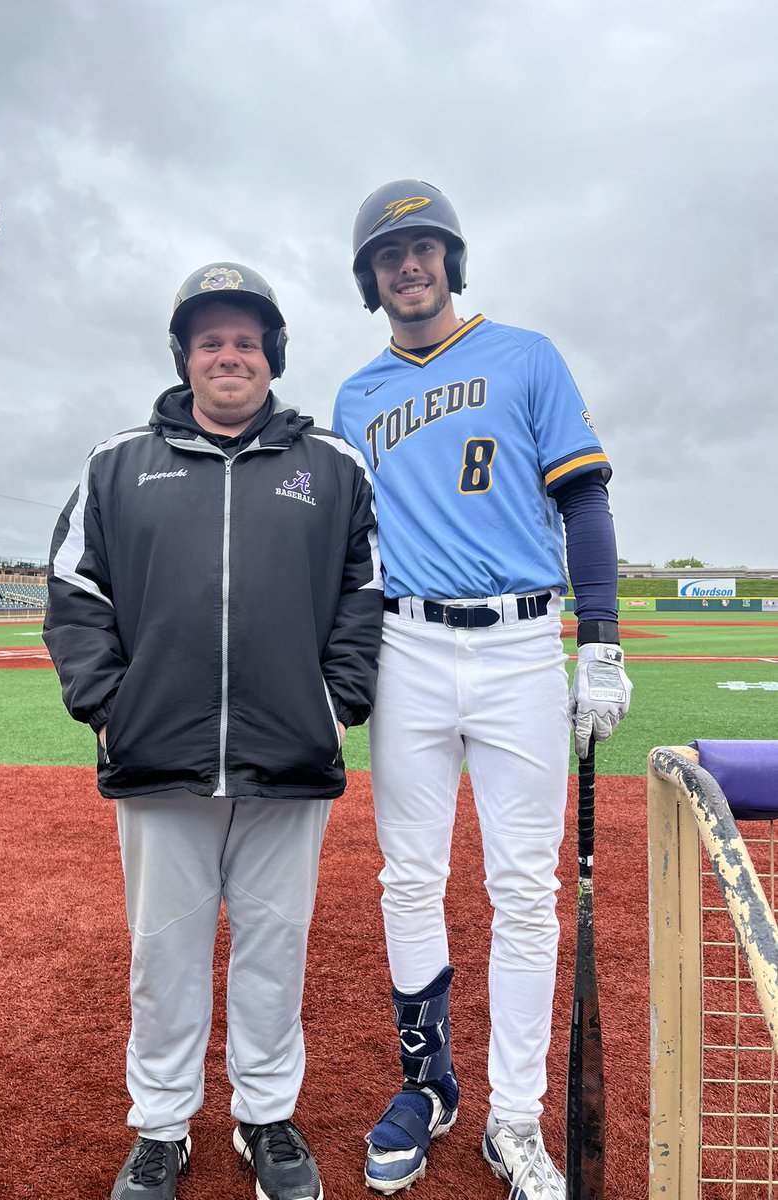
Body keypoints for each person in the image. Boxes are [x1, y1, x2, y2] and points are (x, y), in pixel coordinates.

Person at [44, 262, 383, 1200]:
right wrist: (113, 707)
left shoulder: (330, 466)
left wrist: (333, 702)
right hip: (159, 762)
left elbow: (365, 598)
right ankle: (161, 1127)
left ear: (271, 355)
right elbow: (73, 597)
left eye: (245, 341)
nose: (228, 356)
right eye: (210, 341)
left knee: (276, 950)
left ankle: (265, 1117)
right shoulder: (117, 463)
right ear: (185, 356)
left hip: (289, 757)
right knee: (165, 957)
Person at [332, 180, 632, 1200]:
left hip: (517, 645)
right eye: (388, 255)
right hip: (406, 646)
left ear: (452, 261)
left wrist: (600, 638)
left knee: (523, 893)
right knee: (407, 879)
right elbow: (349, 551)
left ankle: (515, 1119)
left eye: (424, 248)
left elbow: (584, 497)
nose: (407, 266)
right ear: (370, 279)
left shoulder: (527, 354)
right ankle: (430, 1085)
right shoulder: (355, 397)